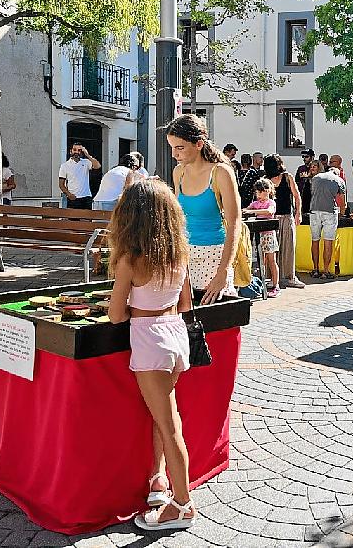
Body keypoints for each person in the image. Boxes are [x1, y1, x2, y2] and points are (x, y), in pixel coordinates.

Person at [106, 179, 197, 532]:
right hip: (174, 334)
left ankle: (182, 504)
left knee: (170, 423)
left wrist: (132, 304)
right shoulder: (179, 254)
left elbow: (115, 315)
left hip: (149, 341)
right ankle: (157, 480)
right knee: (163, 418)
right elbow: (185, 304)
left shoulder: (131, 260)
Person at [167, 115, 241, 304]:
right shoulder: (179, 173)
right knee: (187, 324)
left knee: (218, 323)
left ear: (199, 144)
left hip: (214, 255)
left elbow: (234, 223)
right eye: (172, 147)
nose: (174, 154)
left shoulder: (221, 172)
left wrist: (224, 271)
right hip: (184, 256)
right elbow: (178, 219)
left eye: (180, 148)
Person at [264, 154, 305, 289]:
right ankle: (272, 277)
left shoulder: (287, 177)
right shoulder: (265, 180)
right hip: (271, 219)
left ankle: (290, 277)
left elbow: (297, 196)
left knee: (288, 248)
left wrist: (298, 213)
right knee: (271, 250)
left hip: (286, 217)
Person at [309, 160, 347, 278]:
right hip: (330, 211)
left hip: (314, 211)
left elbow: (313, 193)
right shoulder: (339, 181)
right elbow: (342, 202)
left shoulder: (316, 178)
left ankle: (315, 269)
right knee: (328, 241)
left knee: (315, 240)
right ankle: (325, 271)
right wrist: (342, 214)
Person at [244, 178, 280, 296]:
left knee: (271, 260)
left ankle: (276, 285)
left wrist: (253, 212)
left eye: (261, 192)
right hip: (258, 235)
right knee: (261, 261)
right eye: (257, 193)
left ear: (267, 191)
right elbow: (246, 210)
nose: (258, 195)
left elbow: (269, 211)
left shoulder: (271, 202)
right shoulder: (255, 203)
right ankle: (262, 283)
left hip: (268, 235)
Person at [59, 142, 100, 209]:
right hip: (73, 199)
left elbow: (97, 166)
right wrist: (69, 195)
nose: (77, 152)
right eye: (74, 150)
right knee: (73, 219)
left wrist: (88, 155)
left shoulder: (86, 162)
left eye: (79, 150)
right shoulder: (64, 166)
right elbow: (61, 184)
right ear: (70, 151)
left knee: (87, 219)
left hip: (86, 198)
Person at [295, 149, 315, 215]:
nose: (304, 159)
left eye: (306, 157)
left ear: (312, 157)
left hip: (313, 196)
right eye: (303, 157)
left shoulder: (316, 168)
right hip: (302, 195)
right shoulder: (301, 168)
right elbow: (296, 181)